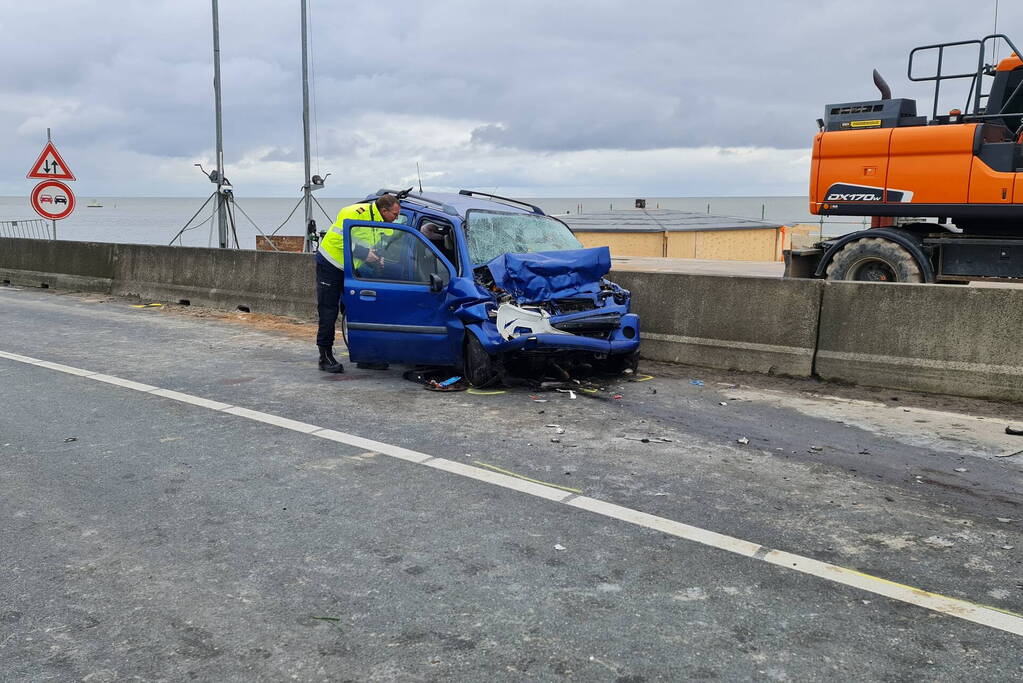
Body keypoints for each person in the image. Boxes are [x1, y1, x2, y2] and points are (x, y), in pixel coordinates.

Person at [315, 194, 401, 372]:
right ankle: (325, 357)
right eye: (395, 214)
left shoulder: (383, 222)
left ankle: (365, 356)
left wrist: (377, 258)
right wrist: (364, 254)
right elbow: (337, 240)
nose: (396, 218)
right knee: (328, 312)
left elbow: (370, 244)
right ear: (384, 211)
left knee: (361, 309)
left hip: (352, 268)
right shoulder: (354, 213)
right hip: (331, 264)